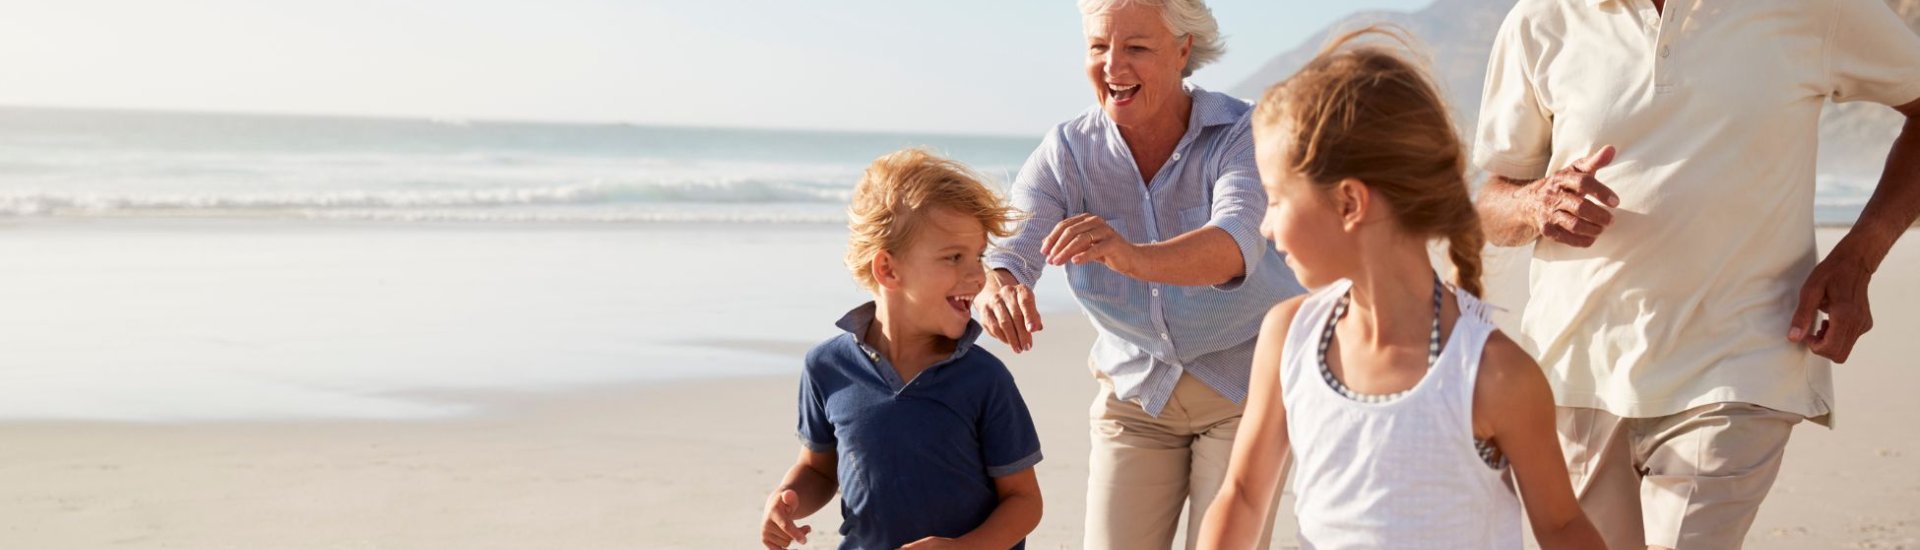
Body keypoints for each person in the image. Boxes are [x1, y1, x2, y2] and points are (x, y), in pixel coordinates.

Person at [1474, 0, 1920, 547]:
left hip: (1739, 361)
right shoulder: (1541, 19)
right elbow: (1493, 201)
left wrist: (1861, 253)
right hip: (1574, 370)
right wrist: (1535, 203)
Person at [1196, 28, 1605, 550]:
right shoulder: (1289, 335)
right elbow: (1244, 495)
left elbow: (1562, 527)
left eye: (1275, 200)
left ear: (1349, 203)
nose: (1265, 227)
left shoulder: (1494, 376)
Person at [976, 0, 1304, 547]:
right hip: (1135, 393)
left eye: (1136, 48)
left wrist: (1130, 255)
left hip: (1244, 391)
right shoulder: (1067, 150)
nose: (1112, 66)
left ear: (1183, 51)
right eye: (1098, 47)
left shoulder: (1242, 130)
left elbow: (1234, 243)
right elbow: (1009, 250)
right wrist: (1001, 288)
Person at [760, 149, 1044, 550]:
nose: (976, 275)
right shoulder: (826, 367)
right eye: (954, 257)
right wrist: (786, 500)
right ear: (888, 270)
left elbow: (1024, 501)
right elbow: (819, 471)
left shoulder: (984, 379)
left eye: (979, 256)